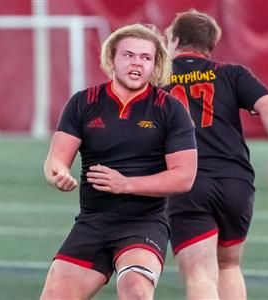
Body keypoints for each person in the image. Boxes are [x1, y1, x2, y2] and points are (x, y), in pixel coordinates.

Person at [41, 23, 197, 299]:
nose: (137, 63)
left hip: (144, 223)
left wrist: (126, 184)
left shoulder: (170, 109)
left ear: (155, 64)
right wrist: (59, 173)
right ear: (111, 58)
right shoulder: (84, 102)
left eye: (145, 57)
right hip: (92, 222)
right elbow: (56, 159)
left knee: (135, 290)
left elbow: (184, 177)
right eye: (128, 55)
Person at [163, 10, 268, 300]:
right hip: (235, 181)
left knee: (199, 273)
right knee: (229, 265)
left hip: (187, 181)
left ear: (174, 39)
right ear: (211, 44)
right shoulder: (231, 73)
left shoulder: (158, 78)